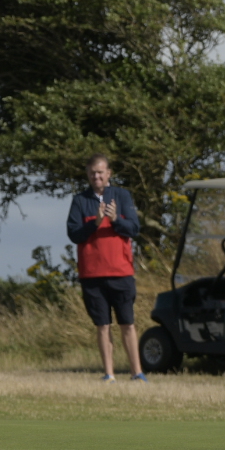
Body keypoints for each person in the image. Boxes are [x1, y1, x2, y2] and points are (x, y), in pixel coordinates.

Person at [66, 155, 145, 382]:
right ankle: (109, 374)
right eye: (92, 172)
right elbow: (73, 233)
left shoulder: (122, 196)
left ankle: (137, 373)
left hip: (121, 272)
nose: (96, 176)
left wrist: (115, 219)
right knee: (102, 325)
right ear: (87, 174)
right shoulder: (80, 201)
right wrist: (95, 223)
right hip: (92, 274)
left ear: (109, 173)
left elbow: (134, 228)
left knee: (127, 324)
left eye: (100, 172)